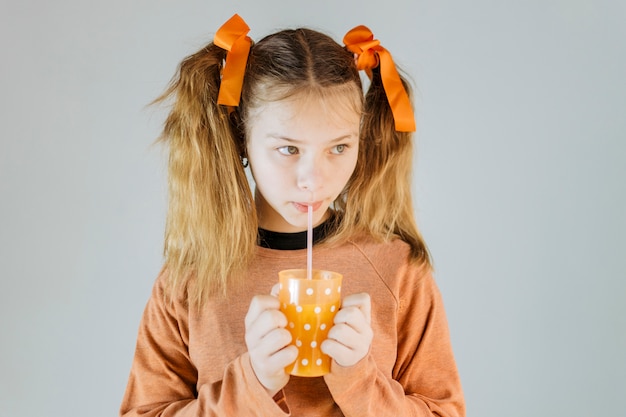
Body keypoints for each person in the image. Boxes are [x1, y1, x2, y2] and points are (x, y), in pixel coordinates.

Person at [120, 13, 465, 417]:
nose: (313, 180)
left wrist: (358, 380)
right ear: (242, 140)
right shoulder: (188, 281)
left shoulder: (398, 270)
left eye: (338, 148)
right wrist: (252, 383)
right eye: (288, 149)